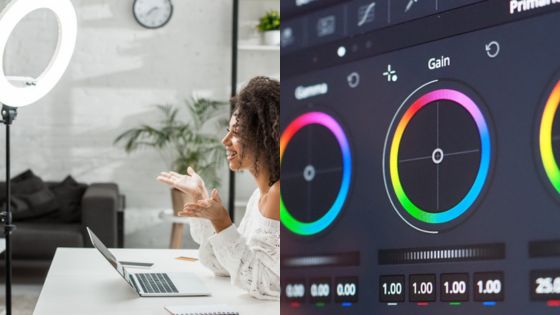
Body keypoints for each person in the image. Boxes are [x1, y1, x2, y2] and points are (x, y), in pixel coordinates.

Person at [157, 76, 280, 300]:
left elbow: (265, 284)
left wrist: (223, 221)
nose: (225, 140)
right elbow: (229, 266)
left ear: (263, 138)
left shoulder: (278, 196)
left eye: (237, 132)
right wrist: (200, 196)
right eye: (228, 130)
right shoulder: (259, 196)